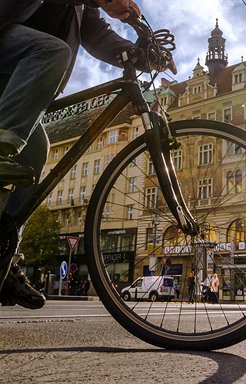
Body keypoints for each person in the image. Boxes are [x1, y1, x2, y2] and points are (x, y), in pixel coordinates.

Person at [0, 0, 144, 310]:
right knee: (53, 51)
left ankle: (4, 258)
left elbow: (98, 35)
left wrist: (137, 53)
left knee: (36, 152)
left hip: (20, 84)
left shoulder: (82, 9)